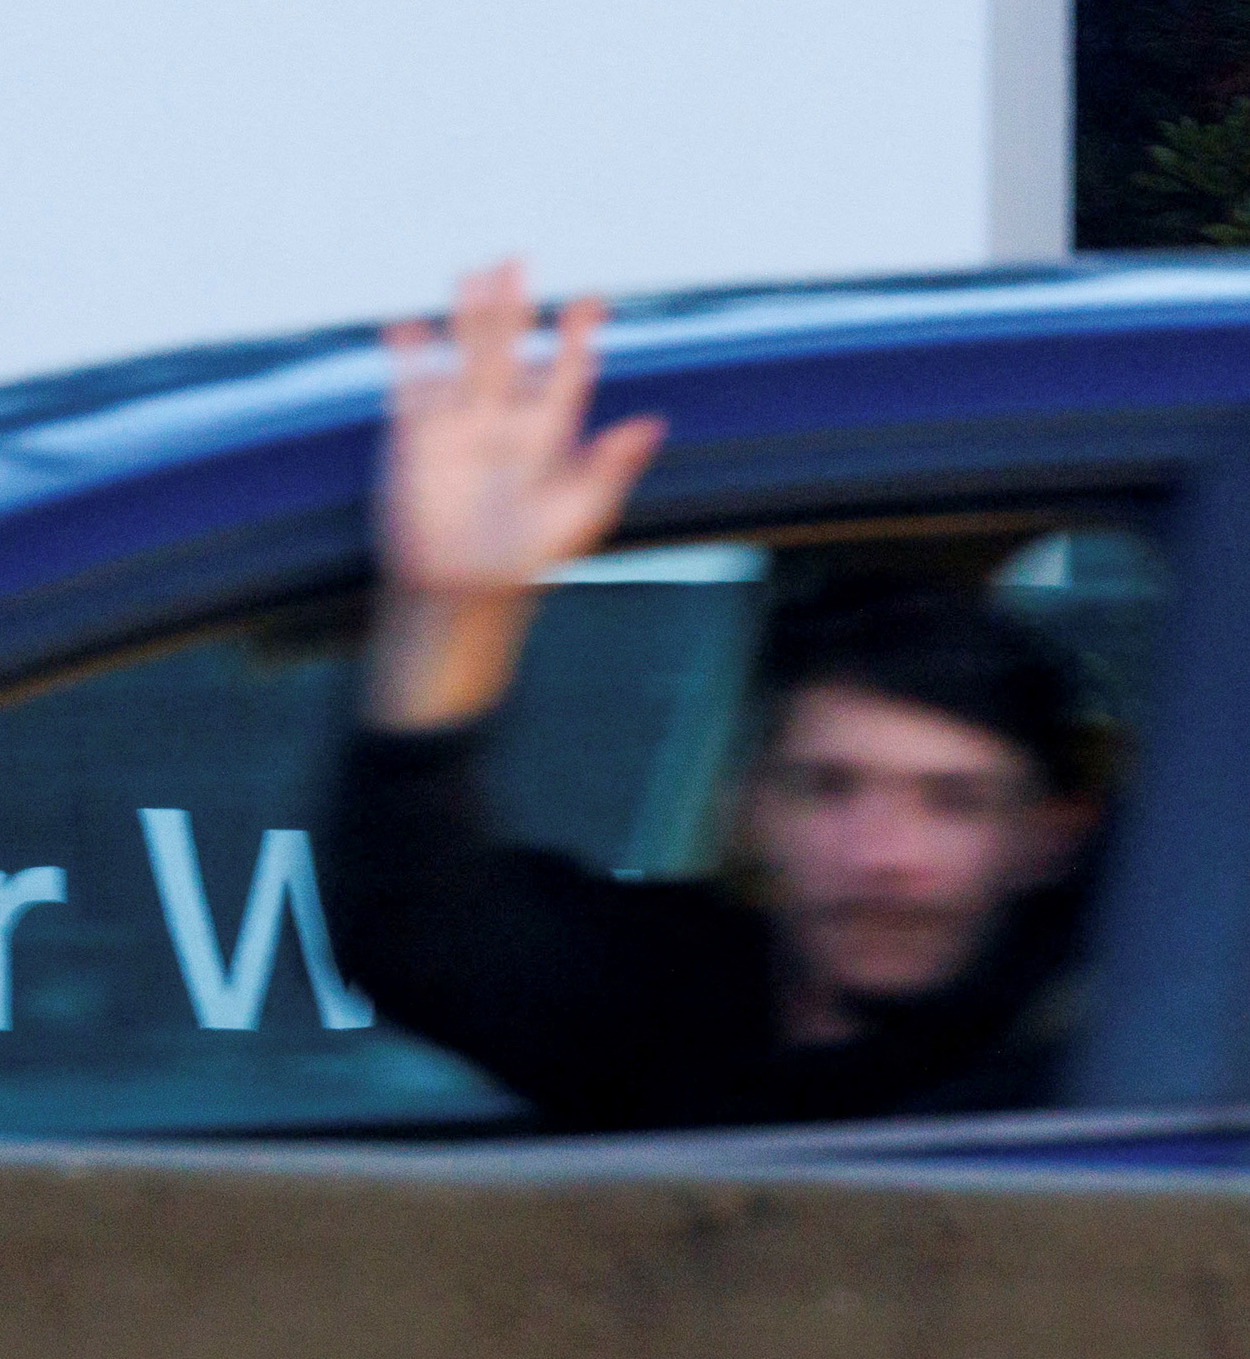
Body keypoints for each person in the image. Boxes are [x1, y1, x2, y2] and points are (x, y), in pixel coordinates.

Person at [314, 261, 1110, 1130]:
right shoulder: (684, 999)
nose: (884, 855)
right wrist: (459, 608)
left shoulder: (1110, 1055)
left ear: (1050, 839)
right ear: (751, 808)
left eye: (956, 803)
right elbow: (421, 931)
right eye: (829, 788)